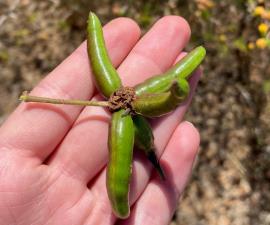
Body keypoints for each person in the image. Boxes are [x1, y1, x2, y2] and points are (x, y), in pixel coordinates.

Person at [0, 15, 201, 225]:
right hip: (128, 113)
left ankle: (151, 149)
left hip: (130, 110)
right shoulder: (123, 118)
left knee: (171, 94)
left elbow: (171, 94)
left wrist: (173, 94)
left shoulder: (127, 112)